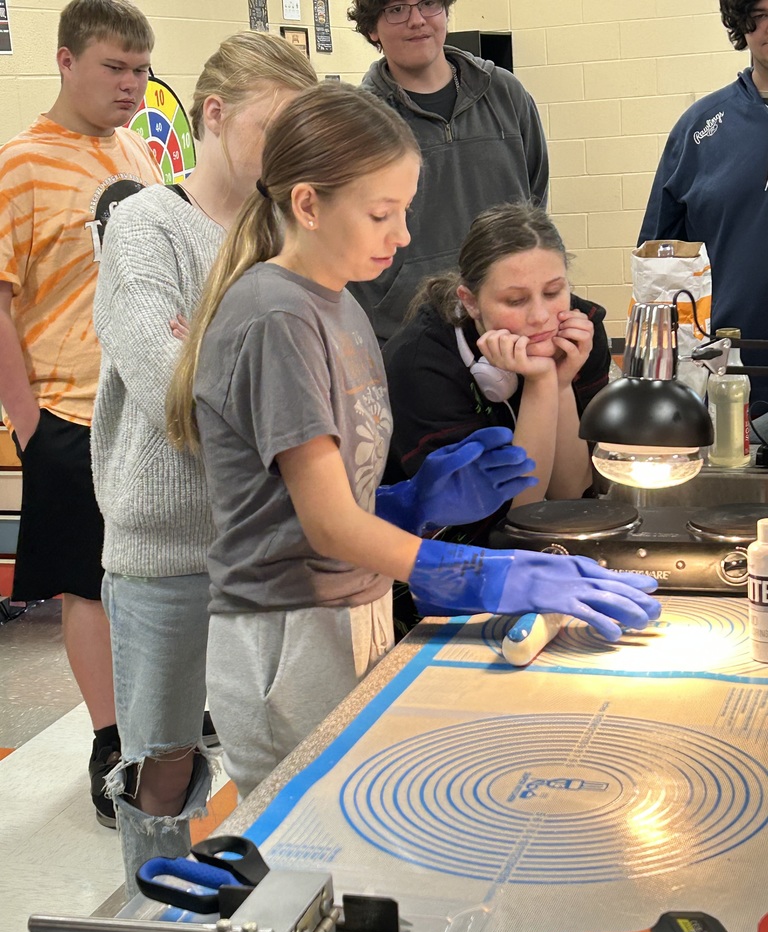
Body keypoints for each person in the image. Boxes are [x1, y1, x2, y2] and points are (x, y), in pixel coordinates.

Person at [166, 81, 660, 803]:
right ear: (308, 204)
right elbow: (326, 525)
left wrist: (412, 501)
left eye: (404, 211)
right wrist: (489, 577)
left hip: (353, 609)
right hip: (288, 633)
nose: (402, 237)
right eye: (381, 214)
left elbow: (329, 500)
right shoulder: (276, 317)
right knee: (310, 859)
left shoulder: (338, 307)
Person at [91, 32, 317, 891]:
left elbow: (309, 373)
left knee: (287, 737)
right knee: (165, 761)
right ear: (213, 116)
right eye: (275, 128)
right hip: (168, 547)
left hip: (267, 539)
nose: (290, 154)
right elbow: (173, 396)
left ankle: (287, 896)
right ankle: (161, 916)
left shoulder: (283, 230)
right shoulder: (148, 225)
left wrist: (218, 359)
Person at [0, 0, 161, 827]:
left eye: (138, 70)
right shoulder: (20, 163)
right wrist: (26, 422)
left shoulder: (135, 149)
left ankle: (160, 719)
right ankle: (109, 740)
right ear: (65, 62)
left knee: (152, 571)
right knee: (88, 588)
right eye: (113, 68)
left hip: (145, 401)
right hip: (66, 408)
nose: (130, 85)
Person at [384, 202, 611, 534]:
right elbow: (509, 516)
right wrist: (540, 382)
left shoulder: (581, 330)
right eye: (515, 301)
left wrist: (560, 387)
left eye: (553, 292)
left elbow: (570, 493)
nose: (540, 316)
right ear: (471, 301)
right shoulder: (421, 364)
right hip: (426, 547)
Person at [345, 0, 549, 345]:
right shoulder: (359, 121)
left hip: (506, 325)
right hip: (403, 336)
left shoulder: (505, 94)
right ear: (372, 28)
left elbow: (535, 198)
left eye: (428, 4)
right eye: (396, 9)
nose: (417, 20)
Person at [639, 0, 768, 408]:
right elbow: (657, 269)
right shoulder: (700, 129)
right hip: (731, 382)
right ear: (740, 21)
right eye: (761, 13)